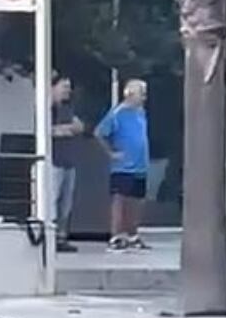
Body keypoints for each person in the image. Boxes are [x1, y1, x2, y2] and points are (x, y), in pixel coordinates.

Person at [95, 79, 151, 252]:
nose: (144, 97)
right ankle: (116, 236)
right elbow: (100, 133)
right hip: (123, 167)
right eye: (141, 93)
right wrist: (112, 153)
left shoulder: (141, 112)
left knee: (136, 202)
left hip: (140, 165)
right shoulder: (117, 113)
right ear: (130, 94)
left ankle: (133, 235)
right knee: (120, 201)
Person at [50, 74, 84, 253]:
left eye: (68, 87)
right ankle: (51, 236)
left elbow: (79, 127)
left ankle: (62, 236)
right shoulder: (48, 108)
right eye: (64, 87)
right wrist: (64, 129)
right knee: (53, 199)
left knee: (66, 203)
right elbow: (47, 131)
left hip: (69, 161)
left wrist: (68, 129)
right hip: (54, 161)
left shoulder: (68, 108)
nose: (67, 91)